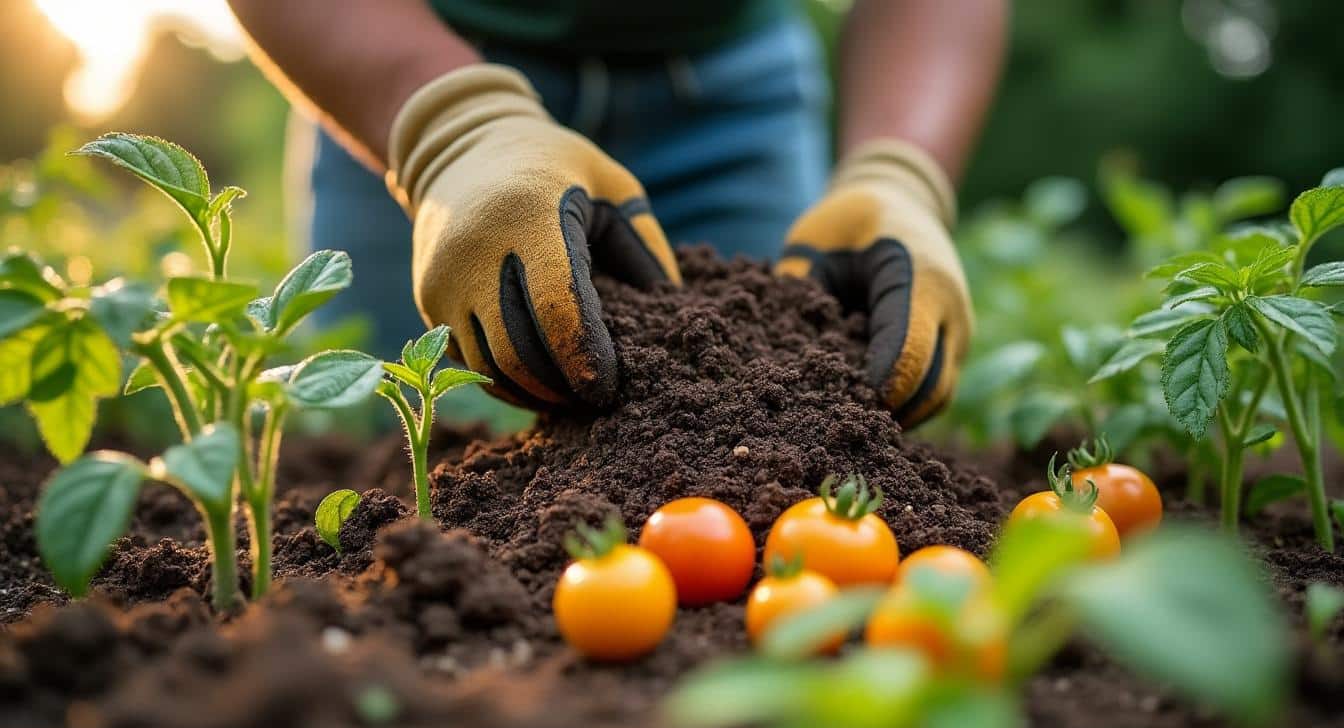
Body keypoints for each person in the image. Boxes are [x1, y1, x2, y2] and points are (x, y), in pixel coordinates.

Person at [226, 0, 1006, 425]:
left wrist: (897, 168)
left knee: (771, 441)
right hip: (396, 54)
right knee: (384, 465)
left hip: (734, 94)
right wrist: (451, 130)